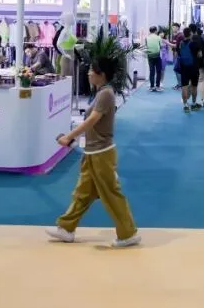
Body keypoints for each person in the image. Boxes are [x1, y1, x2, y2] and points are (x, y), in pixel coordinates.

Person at [47, 57, 141, 248]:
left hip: (102, 154)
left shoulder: (106, 94)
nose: (88, 73)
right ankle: (66, 228)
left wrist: (69, 136)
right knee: (82, 193)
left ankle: (128, 233)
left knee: (111, 195)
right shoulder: (100, 93)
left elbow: (92, 121)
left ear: (101, 74)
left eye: (92, 70)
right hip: (92, 152)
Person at [177, 28, 201, 113]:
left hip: (184, 67)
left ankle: (185, 105)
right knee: (194, 86)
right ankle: (193, 104)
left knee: (184, 86)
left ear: (184, 34)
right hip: (194, 67)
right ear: (191, 33)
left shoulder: (180, 43)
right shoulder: (194, 43)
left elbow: (179, 54)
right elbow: (200, 55)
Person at [190, 25, 204, 108]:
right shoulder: (202, 38)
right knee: (202, 81)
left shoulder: (189, 39)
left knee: (190, 82)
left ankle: (188, 99)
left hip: (191, 64)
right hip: (202, 63)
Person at [145, 27, 164, 92]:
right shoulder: (158, 37)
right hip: (157, 56)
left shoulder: (147, 38)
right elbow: (161, 46)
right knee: (158, 71)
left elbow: (146, 46)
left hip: (150, 56)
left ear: (150, 31)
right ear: (155, 31)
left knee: (151, 71)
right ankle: (157, 86)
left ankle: (152, 87)